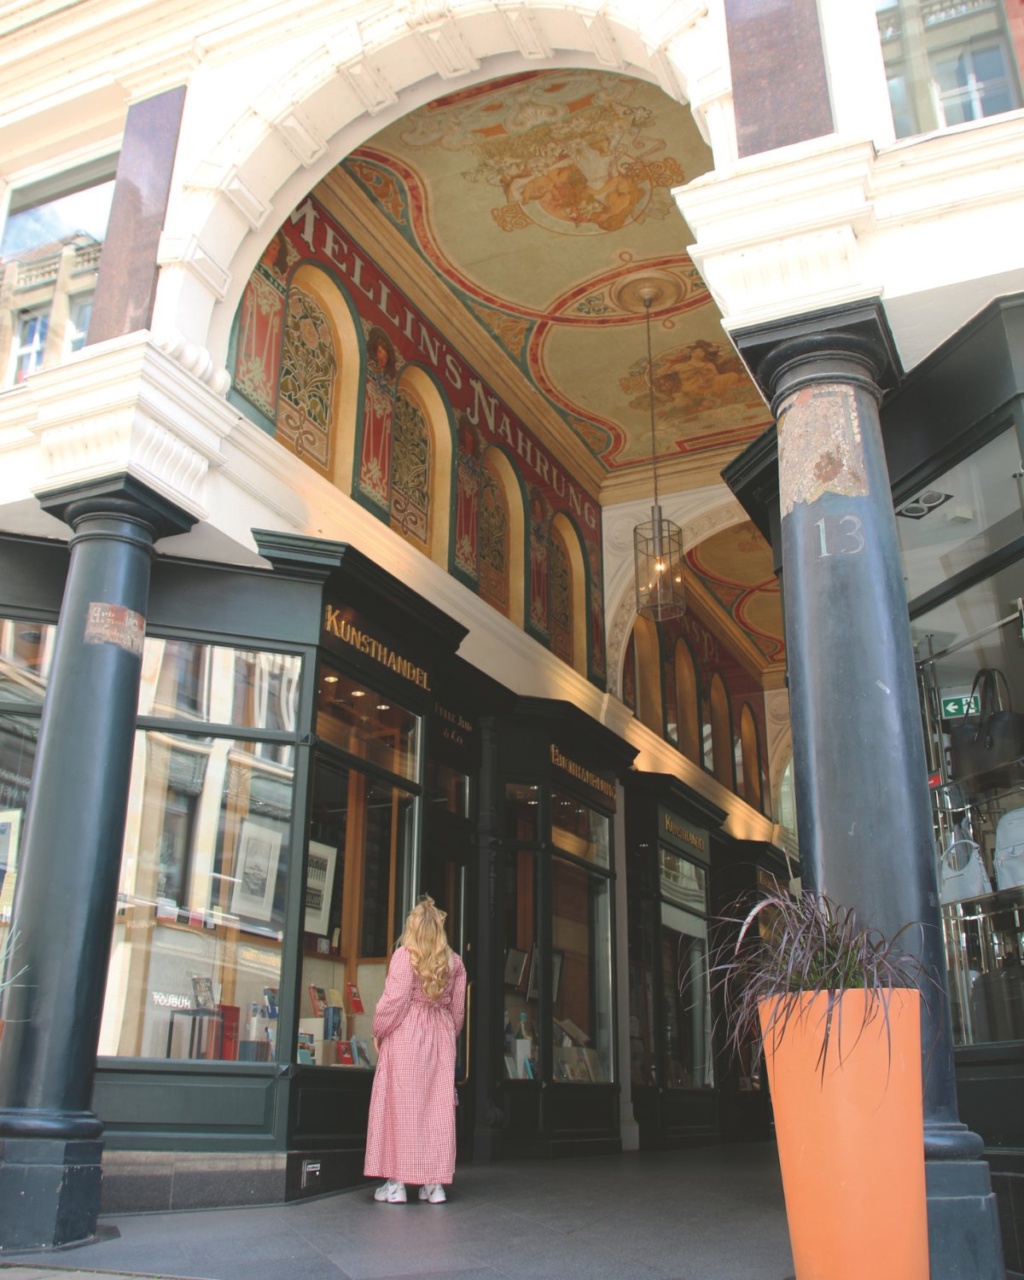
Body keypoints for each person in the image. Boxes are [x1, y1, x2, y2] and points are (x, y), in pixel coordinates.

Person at [364, 896, 467, 1204]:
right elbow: (458, 1012)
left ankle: (396, 1184)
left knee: (400, 1108)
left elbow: (393, 1002)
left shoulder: (403, 957)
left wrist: (378, 1032)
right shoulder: (455, 962)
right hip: (439, 1036)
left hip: (406, 1035)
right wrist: (448, 1037)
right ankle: (434, 1185)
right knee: (437, 1110)